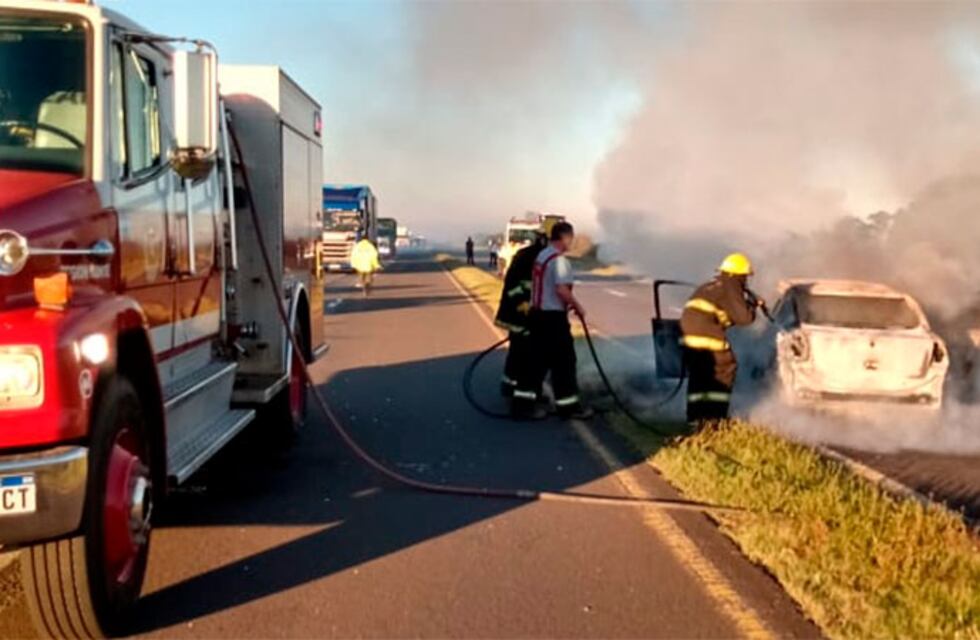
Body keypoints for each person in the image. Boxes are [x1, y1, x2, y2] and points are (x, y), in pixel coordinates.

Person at [512, 221, 593, 420]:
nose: (571, 242)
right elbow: (561, 289)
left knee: (535, 362)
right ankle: (568, 407)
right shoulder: (560, 261)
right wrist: (578, 306)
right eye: (571, 238)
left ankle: (522, 406)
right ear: (564, 237)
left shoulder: (542, 255)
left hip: (537, 315)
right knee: (565, 362)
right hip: (552, 319)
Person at [679, 252, 761, 429]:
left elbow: (724, 314)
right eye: (745, 276)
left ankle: (695, 419)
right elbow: (745, 318)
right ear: (740, 275)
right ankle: (716, 419)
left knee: (700, 376)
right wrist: (753, 306)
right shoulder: (732, 285)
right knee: (725, 369)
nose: (746, 281)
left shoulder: (711, 286)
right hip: (706, 334)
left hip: (687, 334)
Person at [494, 231, 547, 398]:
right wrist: (526, 306)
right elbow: (518, 287)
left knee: (517, 353)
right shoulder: (535, 258)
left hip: (518, 313)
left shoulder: (529, 254)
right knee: (527, 356)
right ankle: (524, 400)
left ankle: (509, 387)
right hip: (522, 314)